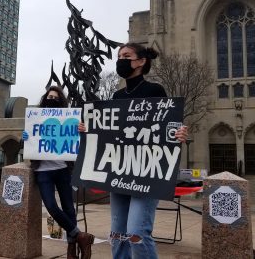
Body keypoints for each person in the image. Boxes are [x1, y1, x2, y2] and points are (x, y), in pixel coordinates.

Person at [78, 43, 188, 259]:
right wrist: (88, 129)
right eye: (119, 56)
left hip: (147, 174)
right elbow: (109, 133)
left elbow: (166, 128)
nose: (121, 59)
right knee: (118, 235)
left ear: (141, 61)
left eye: (126, 55)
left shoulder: (155, 91)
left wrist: (179, 134)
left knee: (136, 233)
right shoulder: (117, 96)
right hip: (119, 173)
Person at [22, 86, 94, 259]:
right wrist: (24, 137)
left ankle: (71, 250)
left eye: (55, 97)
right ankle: (80, 236)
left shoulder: (69, 119)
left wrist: (81, 132)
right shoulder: (35, 119)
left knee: (69, 208)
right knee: (52, 207)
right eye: (49, 96)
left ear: (61, 101)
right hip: (43, 171)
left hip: (63, 170)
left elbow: (79, 144)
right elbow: (29, 144)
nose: (51, 99)